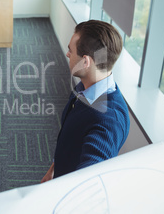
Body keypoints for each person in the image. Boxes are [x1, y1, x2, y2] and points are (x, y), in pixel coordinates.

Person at [41, 20, 130, 182]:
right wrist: (54, 168)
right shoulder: (85, 88)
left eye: (71, 50)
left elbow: (88, 181)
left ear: (85, 61)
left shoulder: (108, 122)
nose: (67, 54)